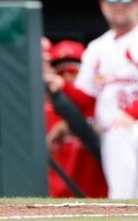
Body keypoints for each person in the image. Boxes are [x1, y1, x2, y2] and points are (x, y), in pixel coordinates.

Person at [44, 0, 138, 199]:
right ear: (103, 5)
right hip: (117, 135)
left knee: (119, 140)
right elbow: (86, 99)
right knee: (137, 189)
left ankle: (117, 208)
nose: (119, 4)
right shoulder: (98, 47)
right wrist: (61, 85)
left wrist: (129, 115)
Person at [45, 40, 108, 199]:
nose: (67, 78)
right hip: (56, 200)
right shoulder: (45, 111)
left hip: (98, 198)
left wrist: (70, 126)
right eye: (60, 73)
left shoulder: (100, 106)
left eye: (74, 71)